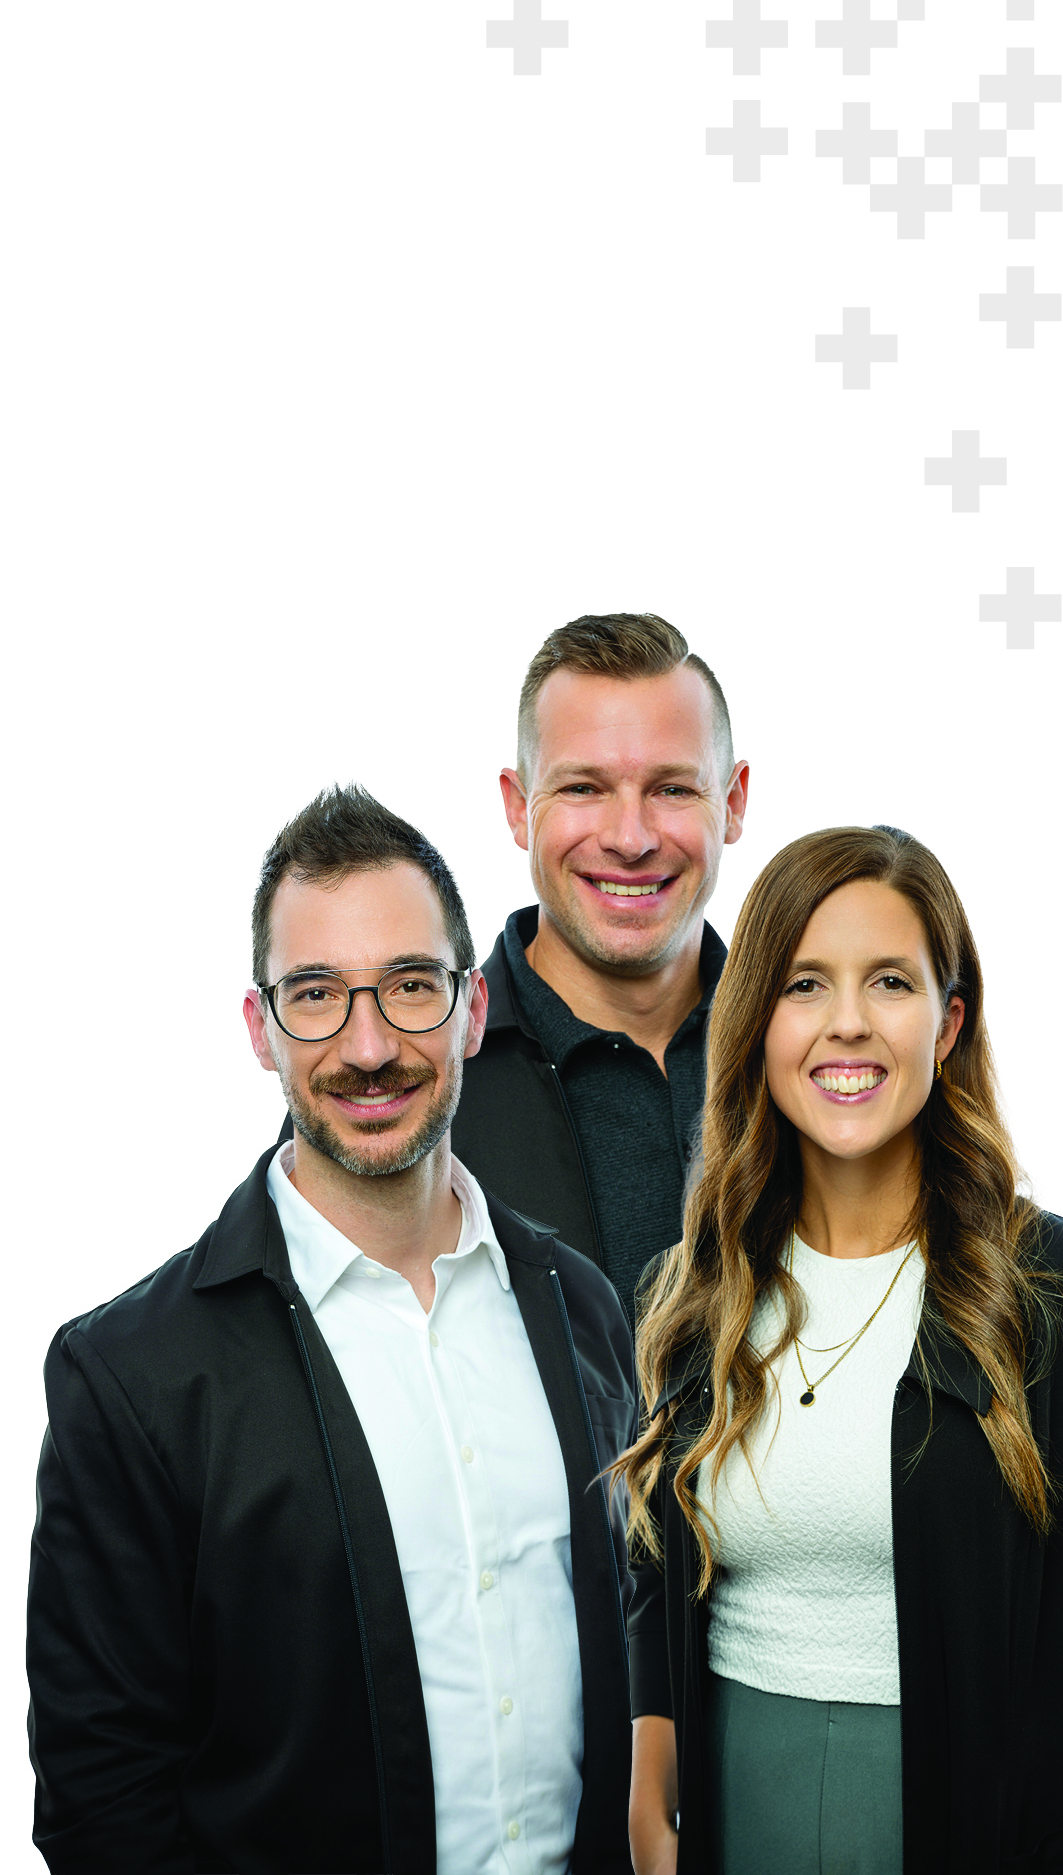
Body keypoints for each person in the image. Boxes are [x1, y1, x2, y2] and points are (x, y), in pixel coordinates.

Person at [27, 785, 637, 1875]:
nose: (368, 1044)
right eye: (315, 994)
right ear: (260, 1029)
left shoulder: (580, 1305)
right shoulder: (131, 1377)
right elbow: (103, 1803)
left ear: (472, 1008)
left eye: (410, 985)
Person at [618, 825, 1063, 1875]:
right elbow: (655, 1566)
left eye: (890, 982)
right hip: (735, 1803)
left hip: (967, 1813)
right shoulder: (691, 1289)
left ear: (948, 1023)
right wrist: (650, 1758)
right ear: (756, 1021)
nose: (848, 1022)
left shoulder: (1039, 1291)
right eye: (804, 983)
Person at [450, 612, 750, 1325]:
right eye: (583, 788)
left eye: (672, 789)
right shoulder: (419, 1074)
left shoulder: (809, 1049)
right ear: (518, 808)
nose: (629, 838)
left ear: (733, 803)